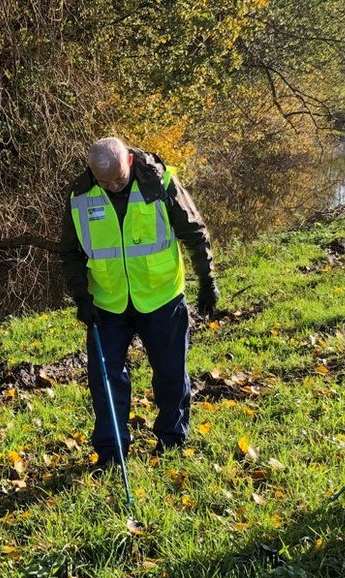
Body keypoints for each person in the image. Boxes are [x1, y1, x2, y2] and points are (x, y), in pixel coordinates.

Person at [60, 137, 219, 470]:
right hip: (108, 303)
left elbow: (193, 231)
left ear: (129, 162)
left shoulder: (158, 182)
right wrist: (81, 297)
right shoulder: (80, 196)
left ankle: (171, 439)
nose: (113, 187)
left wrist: (207, 280)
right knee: (105, 382)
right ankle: (111, 452)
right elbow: (72, 254)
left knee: (170, 373)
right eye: (105, 182)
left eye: (118, 179)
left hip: (161, 296)